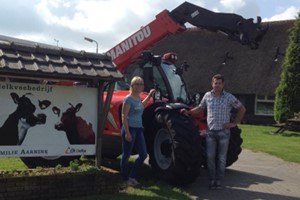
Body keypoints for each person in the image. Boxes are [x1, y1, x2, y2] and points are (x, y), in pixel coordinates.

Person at [182, 74, 246, 190]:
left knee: (221, 158)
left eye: (219, 83)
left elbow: (242, 109)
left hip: (223, 133)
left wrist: (234, 123)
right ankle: (212, 180)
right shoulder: (207, 96)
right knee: (210, 157)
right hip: (210, 132)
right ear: (212, 84)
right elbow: (200, 108)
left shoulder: (228, 97)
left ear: (223, 84)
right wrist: (188, 112)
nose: (217, 85)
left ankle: (219, 181)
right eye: (215, 83)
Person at [120, 76, 156, 186]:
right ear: (132, 86)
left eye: (141, 84)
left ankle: (132, 176)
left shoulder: (138, 98)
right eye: (137, 84)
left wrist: (149, 95)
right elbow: (124, 116)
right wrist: (127, 132)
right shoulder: (128, 99)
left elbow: (141, 106)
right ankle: (126, 179)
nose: (140, 86)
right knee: (126, 155)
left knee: (143, 154)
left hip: (139, 128)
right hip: (130, 128)